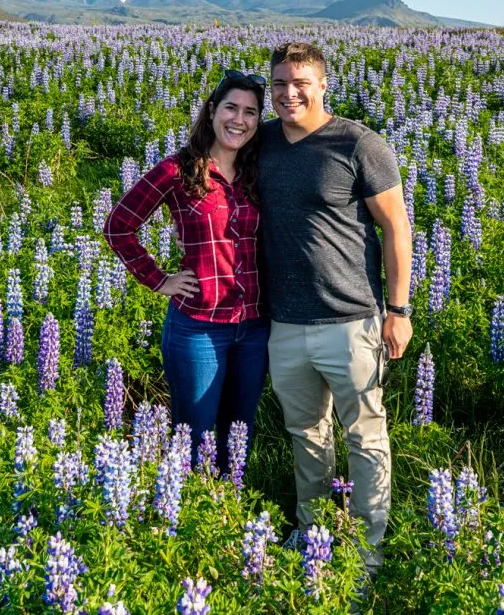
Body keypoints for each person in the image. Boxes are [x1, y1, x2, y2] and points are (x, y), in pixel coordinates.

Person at [257, 41, 413, 570]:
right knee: (306, 435)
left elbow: (396, 228)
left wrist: (399, 310)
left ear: (323, 85)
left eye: (301, 82)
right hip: (285, 320)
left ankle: (367, 554)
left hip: (352, 320)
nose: (289, 92)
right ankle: (315, 537)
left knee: (365, 436)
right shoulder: (263, 143)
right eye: (280, 83)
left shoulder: (358, 143)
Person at [104, 69, 269, 471]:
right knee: (194, 440)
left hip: (255, 326)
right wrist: (159, 280)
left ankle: (228, 518)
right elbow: (118, 226)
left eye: (250, 112)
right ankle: (188, 520)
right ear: (212, 111)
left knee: (238, 437)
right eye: (231, 107)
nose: (239, 119)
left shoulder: (260, 170)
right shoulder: (177, 170)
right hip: (198, 325)